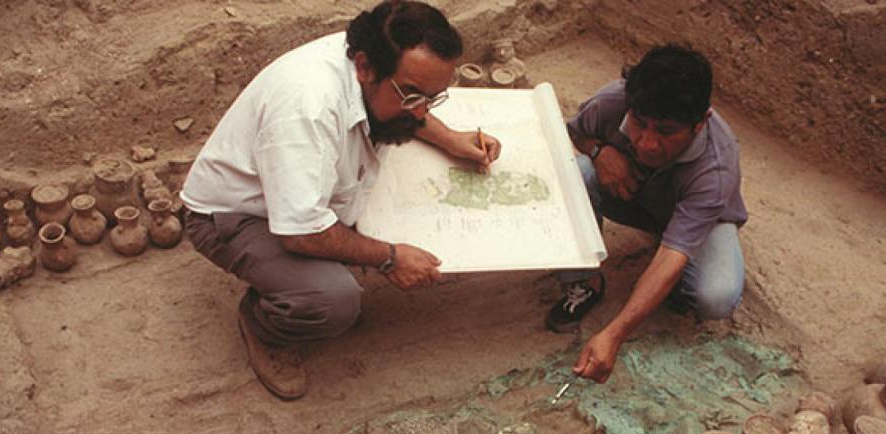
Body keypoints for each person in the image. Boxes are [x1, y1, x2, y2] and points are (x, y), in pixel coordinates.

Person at [181, 0, 500, 399]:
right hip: (236, 214)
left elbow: (409, 104)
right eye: (412, 95)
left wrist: (449, 138)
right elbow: (301, 233)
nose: (421, 112)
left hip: (302, 194)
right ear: (364, 67)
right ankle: (264, 326)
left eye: (432, 98)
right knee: (333, 301)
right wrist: (389, 257)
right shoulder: (307, 110)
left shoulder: (375, 54)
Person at [547, 44, 746, 383]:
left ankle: (676, 286)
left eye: (666, 132)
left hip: (696, 219)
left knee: (716, 296)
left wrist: (613, 334)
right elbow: (577, 132)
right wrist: (599, 152)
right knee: (575, 172)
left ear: (700, 123)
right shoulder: (613, 101)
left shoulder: (716, 168)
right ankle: (584, 282)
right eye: (640, 124)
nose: (647, 144)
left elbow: (672, 254)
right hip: (633, 198)